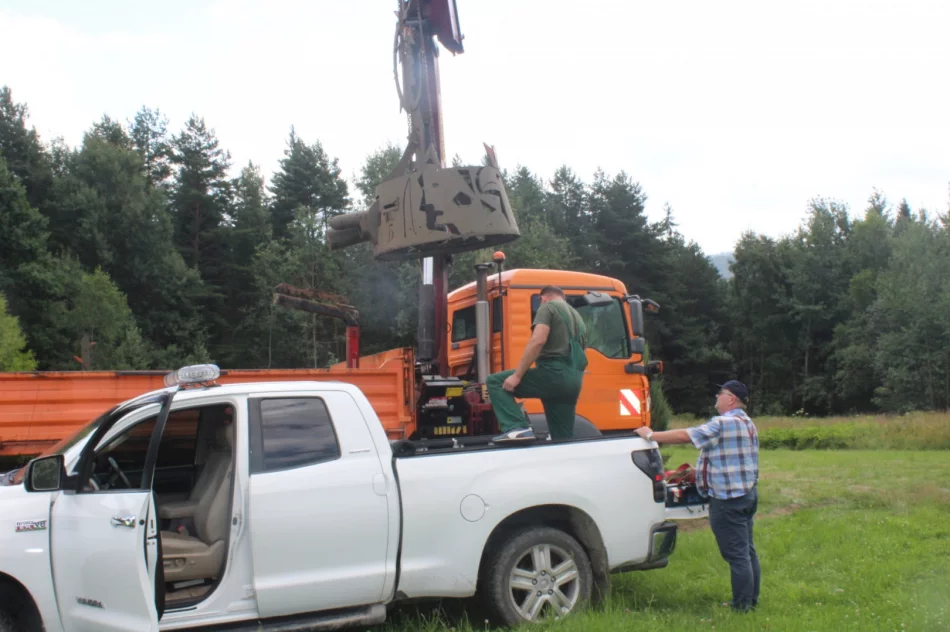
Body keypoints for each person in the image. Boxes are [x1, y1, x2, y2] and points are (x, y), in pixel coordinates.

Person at [634, 380, 760, 613]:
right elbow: (731, 458)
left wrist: (650, 434)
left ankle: (742, 607)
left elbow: (685, 436)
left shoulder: (723, 423)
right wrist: (699, 472)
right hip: (747, 494)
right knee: (747, 550)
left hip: (727, 500)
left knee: (736, 555)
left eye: (720, 393)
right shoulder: (747, 423)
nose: (716, 397)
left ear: (731, 398)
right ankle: (750, 600)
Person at [486, 285, 587, 442]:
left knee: (495, 382)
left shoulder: (548, 307)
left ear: (543, 298)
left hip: (554, 373)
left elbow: (538, 340)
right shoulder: (578, 317)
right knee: (563, 439)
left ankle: (517, 428)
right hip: (574, 380)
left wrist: (517, 376)